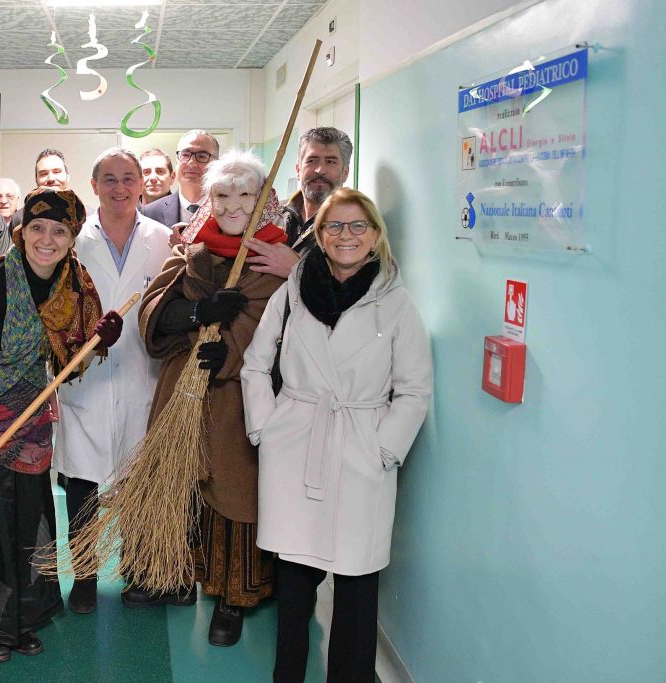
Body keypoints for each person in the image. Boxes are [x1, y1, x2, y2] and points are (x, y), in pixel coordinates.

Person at [240, 188, 432, 682]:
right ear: (320, 236)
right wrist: (265, 427)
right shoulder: (292, 291)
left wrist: (383, 449)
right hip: (295, 445)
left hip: (360, 448)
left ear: (375, 236)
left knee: (357, 585)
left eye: (358, 225)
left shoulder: (397, 303)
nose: (347, 235)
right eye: (335, 226)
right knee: (294, 586)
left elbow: (414, 390)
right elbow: (255, 364)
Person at [0, 188, 123, 663]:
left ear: (72, 238)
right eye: (37, 227)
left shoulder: (73, 286)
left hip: (31, 414)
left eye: (59, 230)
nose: (46, 239)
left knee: (27, 517)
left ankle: (23, 616)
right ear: (20, 232)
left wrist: (98, 341)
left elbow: (64, 366)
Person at [138, 150, 288, 645]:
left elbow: (281, 327)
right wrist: (197, 313)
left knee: (235, 490)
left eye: (246, 195)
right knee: (175, 483)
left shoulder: (276, 259)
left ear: (263, 199)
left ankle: (232, 596)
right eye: (222, 195)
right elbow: (154, 311)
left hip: (238, 398)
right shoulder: (191, 249)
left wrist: (233, 347)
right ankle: (172, 574)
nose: (233, 205)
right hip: (183, 388)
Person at [54, 148, 172, 614]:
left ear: (141, 184)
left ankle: (137, 570)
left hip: (144, 376)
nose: (119, 188)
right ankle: (84, 576)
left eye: (128, 178)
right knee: (82, 484)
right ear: (94, 185)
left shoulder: (164, 239)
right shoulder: (73, 241)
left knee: (137, 484)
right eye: (109, 179)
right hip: (85, 379)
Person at [245, 126, 353, 279]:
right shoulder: (270, 215)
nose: (320, 170)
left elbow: (357, 289)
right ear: (298, 169)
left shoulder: (356, 227)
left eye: (330, 161)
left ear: (345, 173)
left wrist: (298, 270)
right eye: (312, 160)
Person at [142, 129, 219, 241]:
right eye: (185, 155)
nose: (191, 163)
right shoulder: (149, 213)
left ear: (216, 164)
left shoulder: (229, 211)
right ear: (176, 162)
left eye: (202, 156)